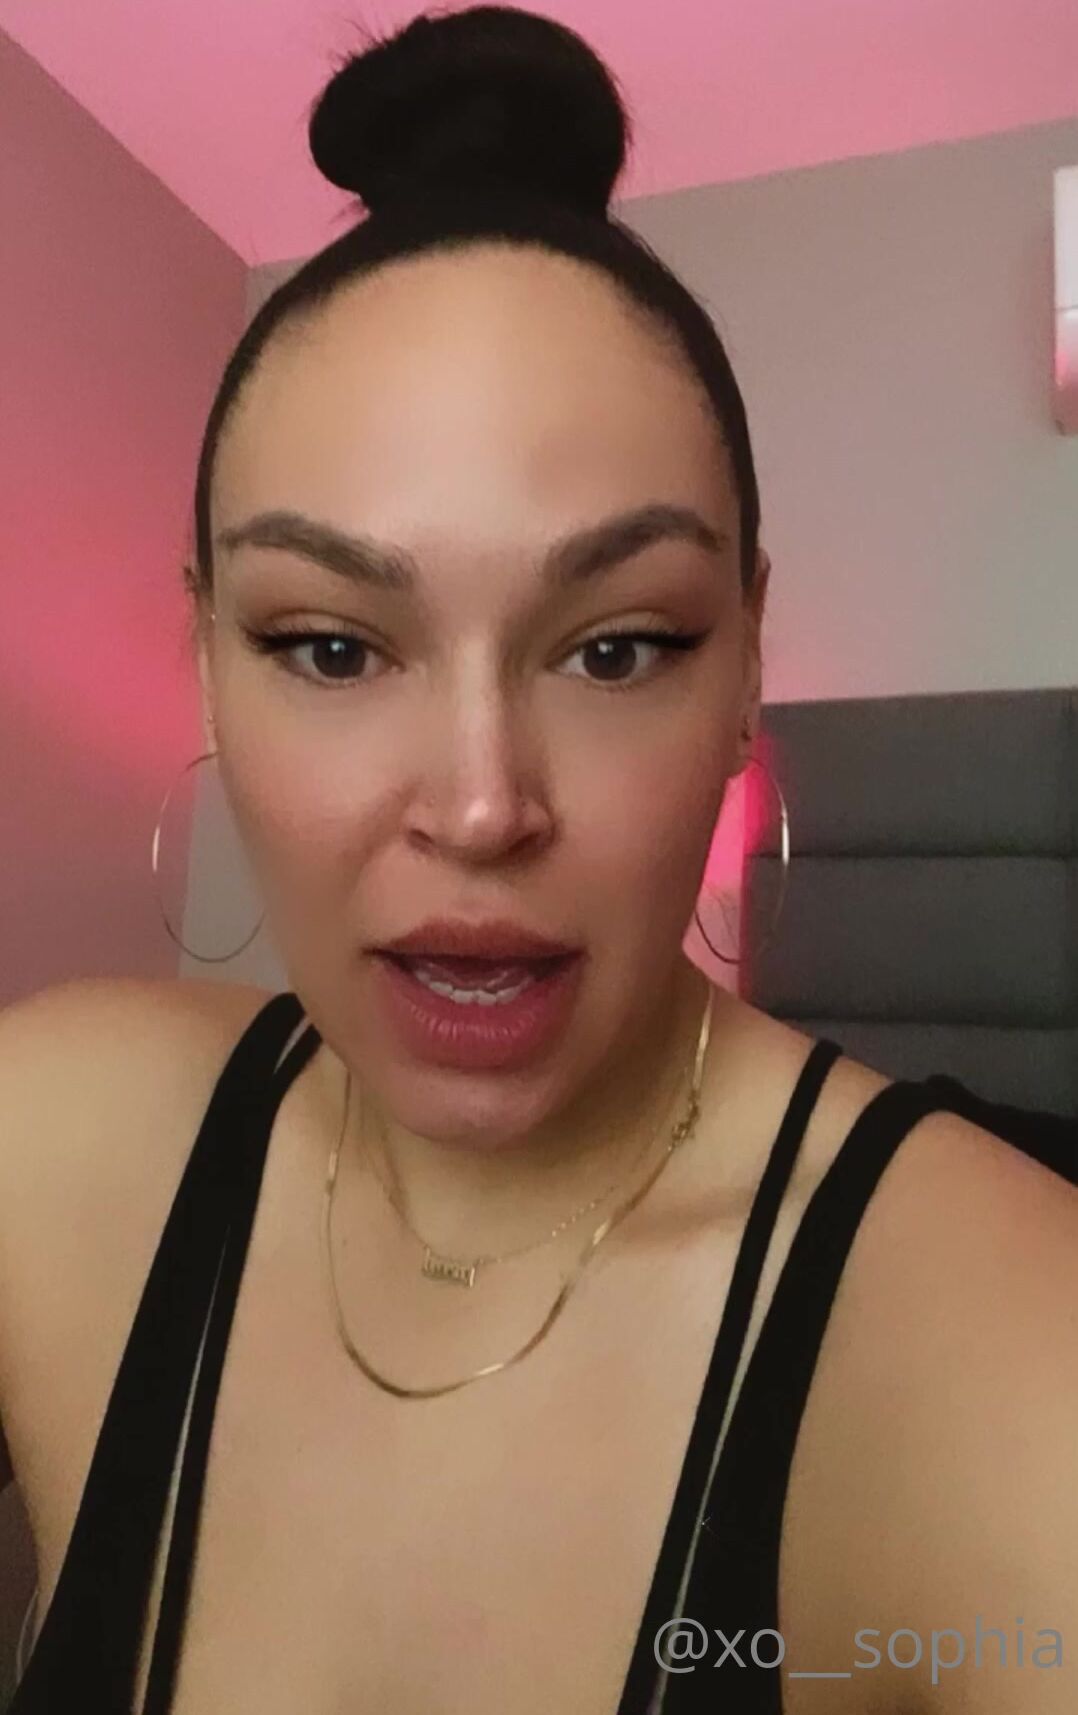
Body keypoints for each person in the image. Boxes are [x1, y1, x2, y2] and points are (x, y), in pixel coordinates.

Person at [1, 7, 1076, 1712]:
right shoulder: (53, 1141)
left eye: (616, 646)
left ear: (745, 662)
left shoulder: (1001, 1343)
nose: (483, 807)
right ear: (205, 656)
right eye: (332, 647)